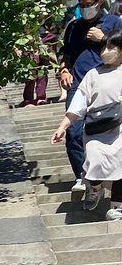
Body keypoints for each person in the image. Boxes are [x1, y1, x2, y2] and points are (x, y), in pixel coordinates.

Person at [58, 0, 122, 191]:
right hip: (78, 82)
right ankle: (81, 176)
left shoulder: (114, 22)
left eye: (89, 3)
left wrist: (102, 38)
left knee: (109, 133)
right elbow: (65, 53)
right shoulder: (74, 27)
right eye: (81, 4)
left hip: (109, 83)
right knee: (74, 132)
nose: (85, 8)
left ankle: (109, 180)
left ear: (100, 1)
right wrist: (64, 70)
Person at [52, 31, 122, 218]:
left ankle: (117, 206)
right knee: (93, 158)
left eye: (112, 47)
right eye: (104, 46)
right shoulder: (93, 74)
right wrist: (63, 127)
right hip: (96, 128)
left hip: (120, 128)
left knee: (121, 165)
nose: (106, 51)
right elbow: (79, 103)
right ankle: (96, 188)